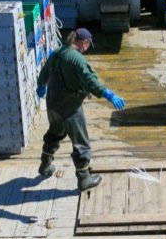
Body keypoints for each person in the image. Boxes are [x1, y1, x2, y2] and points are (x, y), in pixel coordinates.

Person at [35, 28, 126, 191]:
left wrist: (41, 86)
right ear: (83, 43)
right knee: (81, 143)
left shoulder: (57, 52)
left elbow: (45, 71)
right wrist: (109, 95)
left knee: (54, 133)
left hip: (52, 105)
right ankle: (84, 179)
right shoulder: (78, 60)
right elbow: (91, 81)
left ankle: (45, 165)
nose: (88, 48)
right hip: (70, 108)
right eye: (88, 45)